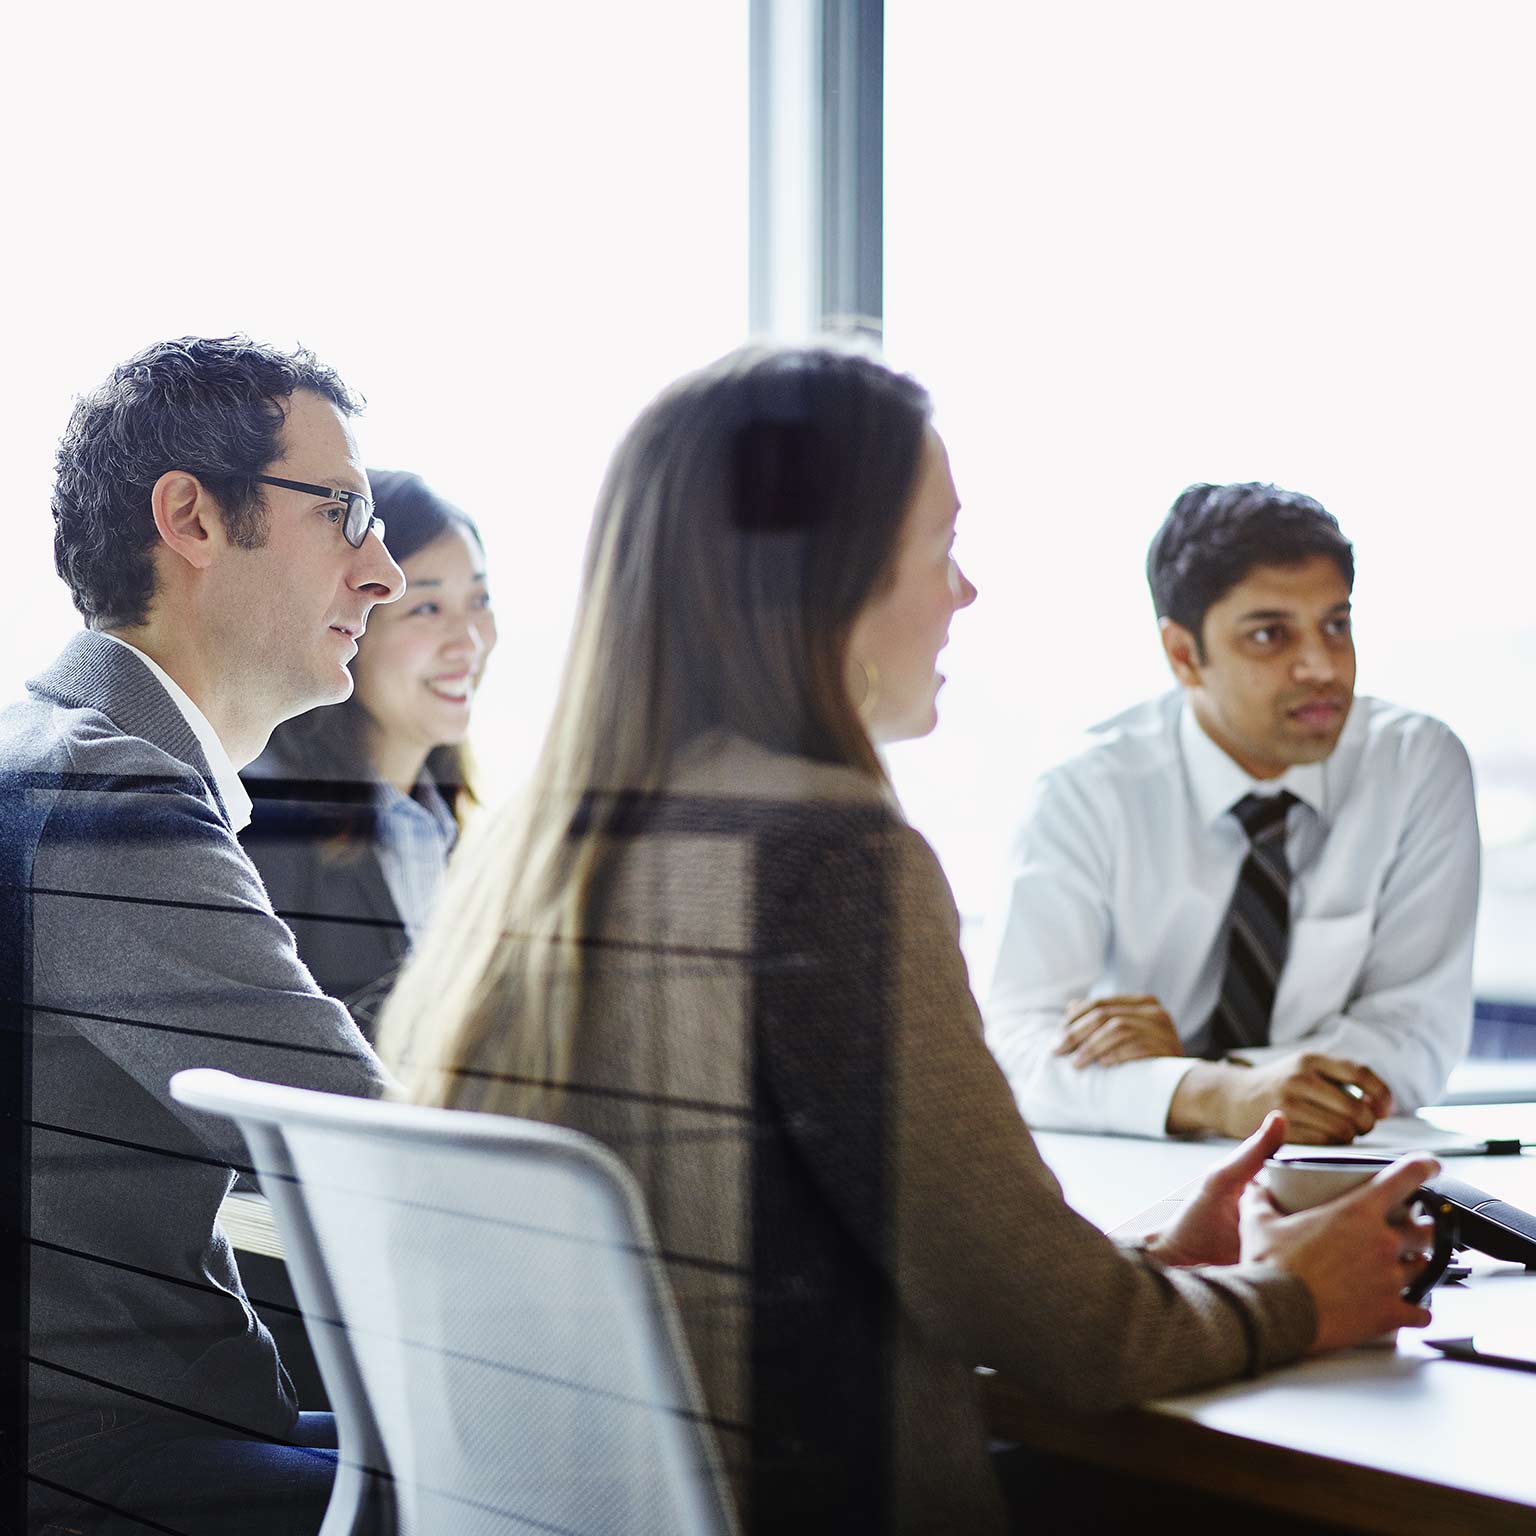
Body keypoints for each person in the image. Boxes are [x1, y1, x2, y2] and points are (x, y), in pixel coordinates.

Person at [375, 349, 1440, 1534]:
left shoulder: (533, 847)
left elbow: (857, 1251)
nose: (966, 593)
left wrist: (1124, 1262)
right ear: (826, 579)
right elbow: (1081, 1350)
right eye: (941, 548)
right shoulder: (824, 862)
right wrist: (1295, 1293)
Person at [2, 336, 404, 1536]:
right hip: (94, 1449)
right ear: (190, 516)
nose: (380, 572)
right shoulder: (110, 799)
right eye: (345, 513)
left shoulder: (45, 751)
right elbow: (372, 1162)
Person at [985, 482, 1479, 1145]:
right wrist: (1214, 1094)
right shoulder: (1087, 789)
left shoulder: (1417, 765)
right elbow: (1016, 1046)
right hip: (1132, 1172)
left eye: (1337, 624)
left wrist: (1207, 1081)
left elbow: (1415, 1036)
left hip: (1342, 1165)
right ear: (1185, 655)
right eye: (1270, 635)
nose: (1321, 666)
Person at [241, 470, 497, 1036]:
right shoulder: (266, 822)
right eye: (428, 609)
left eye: (479, 600)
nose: (470, 641)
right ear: (352, 627)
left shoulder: (448, 833)